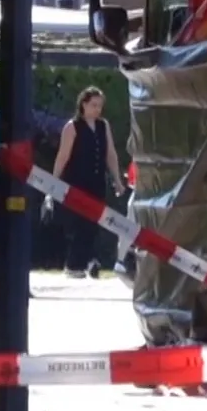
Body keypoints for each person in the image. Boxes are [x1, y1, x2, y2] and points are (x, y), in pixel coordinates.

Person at [51, 86, 124, 279]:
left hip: (97, 181)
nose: (97, 109)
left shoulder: (103, 125)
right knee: (80, 223)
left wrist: (117, 179)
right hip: (76, 182)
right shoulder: (72, 127)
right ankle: (76, 263)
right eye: (93, 105)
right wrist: (53, 182)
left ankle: (87, 260)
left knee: (94, 221)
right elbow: (63, 156)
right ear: (83, 104)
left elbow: (110, 153)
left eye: (100, 106)